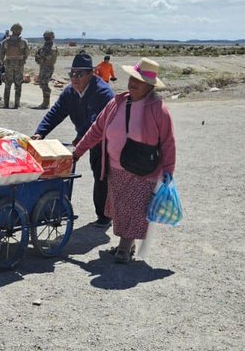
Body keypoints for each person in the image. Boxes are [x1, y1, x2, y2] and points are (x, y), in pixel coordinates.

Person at [72, 58, 175, 262]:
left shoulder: (158, 108)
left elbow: (168, 142)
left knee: (132, 208)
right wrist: (77, 151)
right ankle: (127, 245)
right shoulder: (117, 102)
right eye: (132, 77)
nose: (133, 82)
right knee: (120, 208)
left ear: (150, 86)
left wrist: (169, 171)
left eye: (140, 80)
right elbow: (97, 130)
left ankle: (123, 248)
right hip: (116, 167)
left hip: (143, 170)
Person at [32, 52, 116, 227]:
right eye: (72, 74)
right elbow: (55, 112)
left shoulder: (103, 93)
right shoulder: (70, 92)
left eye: (79, 74)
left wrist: (79, 140)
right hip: (86, 136)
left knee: (101, 173)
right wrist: (41, 132)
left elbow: (95, 122)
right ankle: (55, 211)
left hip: (107, 138)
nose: (74, 78)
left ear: (91, 74)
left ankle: (105, 216)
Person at [0, 23, 30, 108]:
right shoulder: (24, 41)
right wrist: (23, 60)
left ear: (12, 30)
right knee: (18, 85)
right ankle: (16, 104)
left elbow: (1, 55)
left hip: (8, 65)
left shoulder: (5, 41)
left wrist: (2, 63)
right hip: (19, 65)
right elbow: (27, 53)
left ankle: (6, 104)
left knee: (8, 85)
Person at [32, 30, 59, 109]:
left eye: (48, 37)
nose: (46, 38)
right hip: (43, 66)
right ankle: (45, 102)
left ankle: (46, 103)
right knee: (42, 83)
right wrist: (39, 57)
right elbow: (38, 56)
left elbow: (48, 58)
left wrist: (41, 57)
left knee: (44, 83)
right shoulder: (44, 47)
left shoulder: (52, 47)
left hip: (48, 67)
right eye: (45, 37)